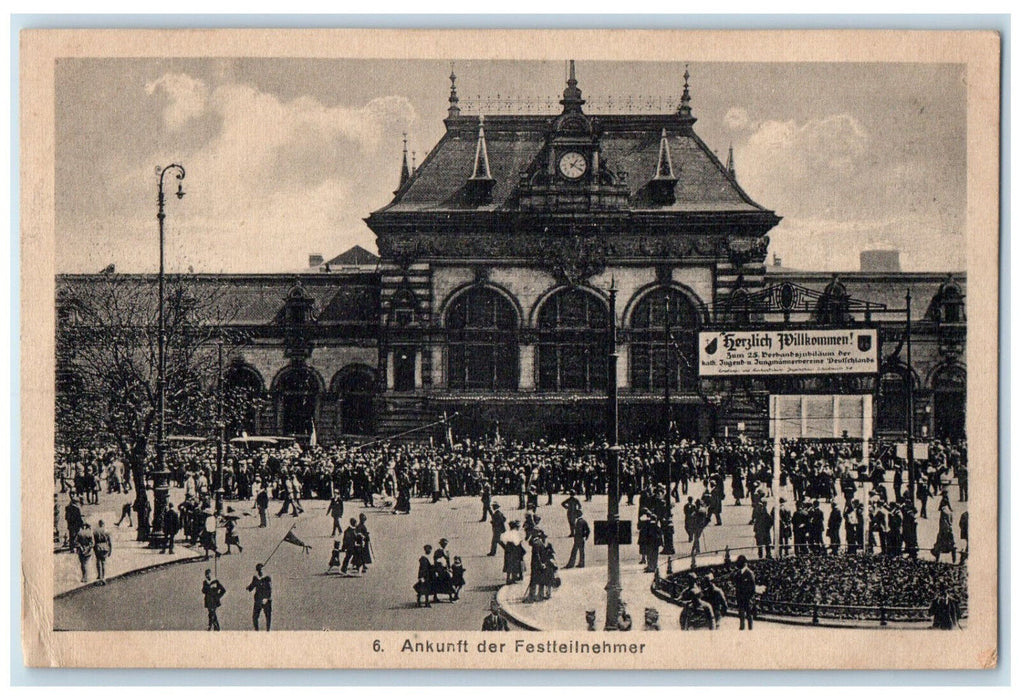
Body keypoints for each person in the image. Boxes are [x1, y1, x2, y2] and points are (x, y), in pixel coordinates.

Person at [246, 563, 272, 631]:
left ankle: (268, 631)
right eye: (258, 570)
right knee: (255, 617)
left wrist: (267, 598)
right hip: (258, 600)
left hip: (266, 600)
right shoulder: (256, 578)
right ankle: (256, 630)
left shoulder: (267, 579)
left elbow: (269, 589)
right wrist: (248, 587)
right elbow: (252, 587)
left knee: (268, 617)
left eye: (260, 570)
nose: (259, 572)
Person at [734, 555, 756, 631]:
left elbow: (753, 588)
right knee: (741, 616)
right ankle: (742, 629)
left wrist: (749, 598)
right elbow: (737, 586)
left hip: (747, 599)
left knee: (749, 616)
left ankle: (750, 630)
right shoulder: (738, 573)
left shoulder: (749, 573)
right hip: (740, 599)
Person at [92, 519, 112, 584]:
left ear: (99, 524)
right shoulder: (107, 531)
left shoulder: (95, 531)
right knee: (103, 562)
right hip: (105, 546)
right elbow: (110, 542)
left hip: (98, 546)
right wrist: (110, 550)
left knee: (98, 561)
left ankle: (99, 575)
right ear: (104, 524)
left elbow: (94, 541)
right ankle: (103, 576)